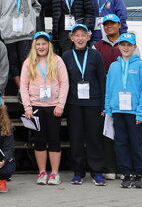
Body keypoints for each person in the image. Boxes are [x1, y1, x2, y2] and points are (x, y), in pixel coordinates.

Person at [20, 31, 68, 185]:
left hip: (54, 107)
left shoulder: (57, 60)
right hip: (36, 107)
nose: (41, 47)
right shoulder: (29, 62)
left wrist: (60, 104)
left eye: (44, 43)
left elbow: (64, 83)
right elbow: (23, 86)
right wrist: (27, 107)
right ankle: (42, 172)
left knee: (54, 140)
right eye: (38, 44)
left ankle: (54, 173)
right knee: (39, 141)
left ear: (49, 45)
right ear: (34, 46)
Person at [63, 24, 107, 186]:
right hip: (74, 104)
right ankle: (78, 172)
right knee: (76, 137)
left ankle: (97, 172)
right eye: (77, 35)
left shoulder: (95, 55)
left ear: (88, 37)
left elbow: (102, 80)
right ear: (72, 38)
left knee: (94, 138)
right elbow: (63, 81)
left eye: (83, 35)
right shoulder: (66, 56)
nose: (80, 38)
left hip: (93, 103)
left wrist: (103, 105)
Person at [105, 33, 142, 189]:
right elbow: (109, 89)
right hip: (118, 111)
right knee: (121, 143)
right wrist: (108, 109)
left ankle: (138, 173)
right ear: (119, 46)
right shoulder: (113, 66)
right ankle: (126, 172)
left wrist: (141, 112)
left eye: (129, 45)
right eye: (123, 44)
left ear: (134, 47)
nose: (125, 48)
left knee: (136, 143)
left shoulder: (140, 66)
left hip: (134, 112)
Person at [0, 0, 42, 90]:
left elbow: (37, 6)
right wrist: (7, 23)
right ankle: (21, 89)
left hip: (26, 34)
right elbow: (0, 12)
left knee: (26, 62)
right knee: (13, 64)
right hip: (10, 35)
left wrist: (31, 18)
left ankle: (28, 88)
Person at [93, 13, 124, 180]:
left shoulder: (128, 44)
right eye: (106, 24)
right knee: (106, 131)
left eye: (112, 24)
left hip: (124, 92)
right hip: (105, 93)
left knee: (122, 130)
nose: (109, 27)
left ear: (119, 25)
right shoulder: (97, 46)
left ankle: (122, 166)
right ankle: (109, 166)